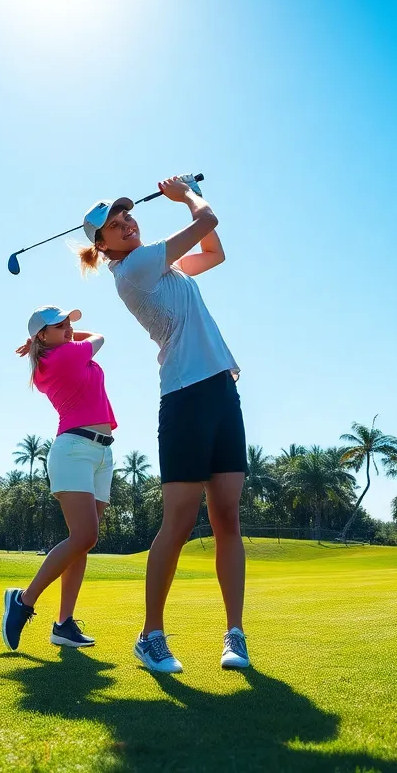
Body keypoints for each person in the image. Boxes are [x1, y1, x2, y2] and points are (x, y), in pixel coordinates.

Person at [77, 175, 249, 672]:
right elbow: (208, 220)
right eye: (114, 224)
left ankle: (234, 633)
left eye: (128, 214)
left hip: (220, 389)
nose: (126, 222)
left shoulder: (161, 266)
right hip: (185, 397)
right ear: (103, 246)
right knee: (178, 521)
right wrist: (186, 195)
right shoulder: (134, 267)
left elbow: (213, 252)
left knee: (227, 520)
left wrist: (189, 206)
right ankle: (151, 634)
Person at [1, 306, 116, 652]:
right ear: (42, 335)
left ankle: (64, 624)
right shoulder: (64, 356)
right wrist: (61, 339)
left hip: (101, 451)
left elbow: (81, 340)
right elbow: (100, 337)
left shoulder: (52, 357)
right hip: (75, 450)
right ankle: (23, 601)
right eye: (59, 325)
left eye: (69, 323)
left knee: (82, 540)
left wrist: (44, 340)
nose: (68, 328)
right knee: (85, 535)